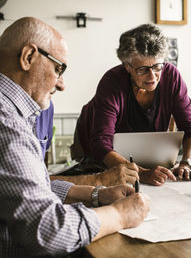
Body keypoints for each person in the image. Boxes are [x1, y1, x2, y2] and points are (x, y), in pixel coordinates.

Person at [0, 17, 150, 257]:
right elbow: (49, 232)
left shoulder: (14, 113)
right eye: (59, 69)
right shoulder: (6, 123)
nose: (62, 85)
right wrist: (120, 215)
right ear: (28, 57)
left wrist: (97, 195)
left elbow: (32, 186)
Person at [60, 23, 191, 187]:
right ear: (127, 66)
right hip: (91, 145)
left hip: (138, 156)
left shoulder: (172, 77)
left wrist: (186, 162)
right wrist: (141, 173)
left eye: (157, 67)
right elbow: (100, 144)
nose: (152, 76)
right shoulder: (111, 82)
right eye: (142, 69)